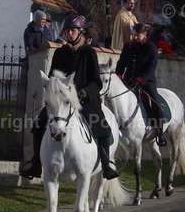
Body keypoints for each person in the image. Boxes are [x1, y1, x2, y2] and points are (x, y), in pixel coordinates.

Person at [19, 15, 120, 181]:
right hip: (62, 101)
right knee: (38, 125)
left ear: (80, 32)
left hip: (85, 100)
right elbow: (52, 78)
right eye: (67, 31)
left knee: (102, 126)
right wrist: (54, 91)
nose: (70, 34)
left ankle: (106, 164)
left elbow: (96, 82)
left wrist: (83, 92)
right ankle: (36, 163)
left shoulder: (89, 52)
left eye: (73, 30)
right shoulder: (60, 53)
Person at [115, 23, 167, 146]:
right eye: (134, 35)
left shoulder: (151, 48)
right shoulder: (128, 46)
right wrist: (118, 76)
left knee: (155, 103)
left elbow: (151, 68)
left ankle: (160, 132)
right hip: (128, 81)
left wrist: (140, 80)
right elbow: (121, 63)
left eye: (137, 35)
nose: (135, 38)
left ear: (145, 34)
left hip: (146, 82)